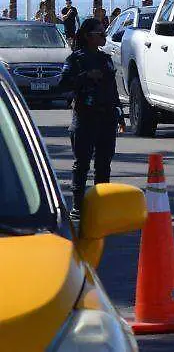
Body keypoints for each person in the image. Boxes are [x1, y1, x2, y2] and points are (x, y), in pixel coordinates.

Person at [60, 18, 125, 220]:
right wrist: (85, 76)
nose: (104, 36)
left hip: (107, 118)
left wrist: (120, 114)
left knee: (104, 165)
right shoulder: (76, 59)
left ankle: (101, 205)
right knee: (82, 164)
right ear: (89, 36)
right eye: (100, 33)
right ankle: (78, 206)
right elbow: (63, 84)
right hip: (85, 117)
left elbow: (113, 89)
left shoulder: (106, 59)